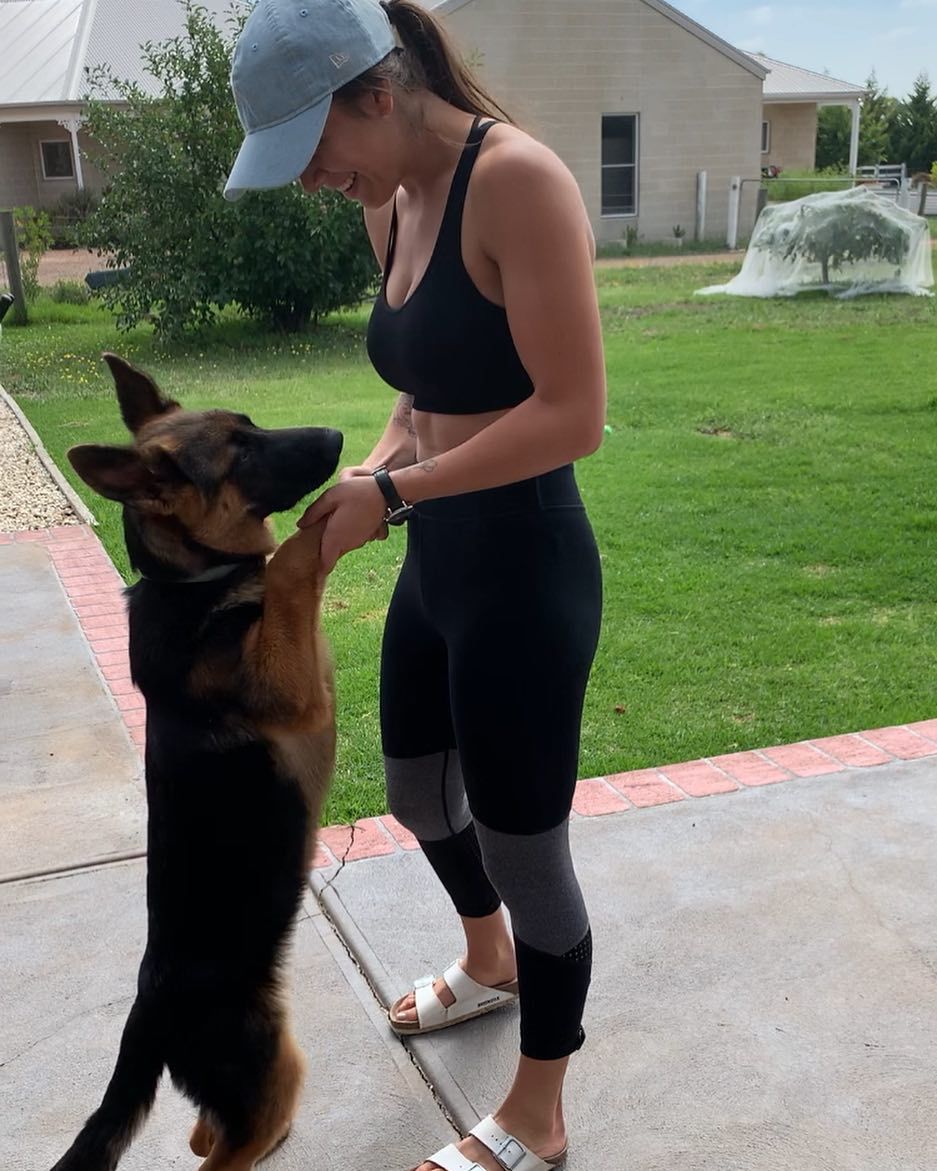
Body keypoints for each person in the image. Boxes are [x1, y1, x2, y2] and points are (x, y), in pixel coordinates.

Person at [225, 1, 605, 1167]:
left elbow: (571, 415)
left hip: (524, 568)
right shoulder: (386, 196)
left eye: (310, 150)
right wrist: (381, 470)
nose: (309, 181)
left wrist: (394, 494)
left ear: (377, 94)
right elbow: (421, 387)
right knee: (418, 793)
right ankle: (489, 960)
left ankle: (538, 1110)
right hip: (441, 555)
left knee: (525, 847)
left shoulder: (517, 182)